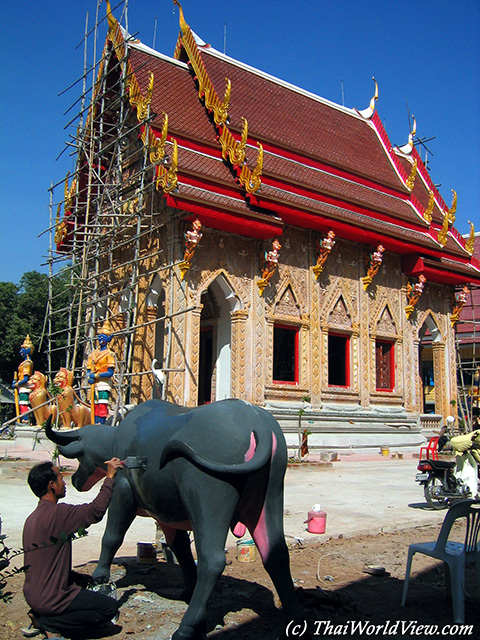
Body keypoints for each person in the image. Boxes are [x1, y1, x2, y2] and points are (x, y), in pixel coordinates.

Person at [22, 458, 123, 639]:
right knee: (109, 608)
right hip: (52, 599)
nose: (64, 483)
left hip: (33, 596)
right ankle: (48, 622)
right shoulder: (58, 513)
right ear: (52, 485)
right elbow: (95, 511)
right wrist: (109, 477)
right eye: (61, 478)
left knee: (85, 594)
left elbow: (45, 565)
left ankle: (39, 614)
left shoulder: (32, 519)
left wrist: (78, 578)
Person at [86, 320, 116, 424]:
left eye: (103, 336)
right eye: (99, 336)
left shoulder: (110, 354)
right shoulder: (93, 355)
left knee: (102, 405)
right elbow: (88, 370)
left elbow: (110, 372)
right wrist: (89, 376)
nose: (101, 339)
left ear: (109, 339)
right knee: (94, 405)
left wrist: (96, 375)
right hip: (94, 384)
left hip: (104, 383)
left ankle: (101, 423)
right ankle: (95, 423)